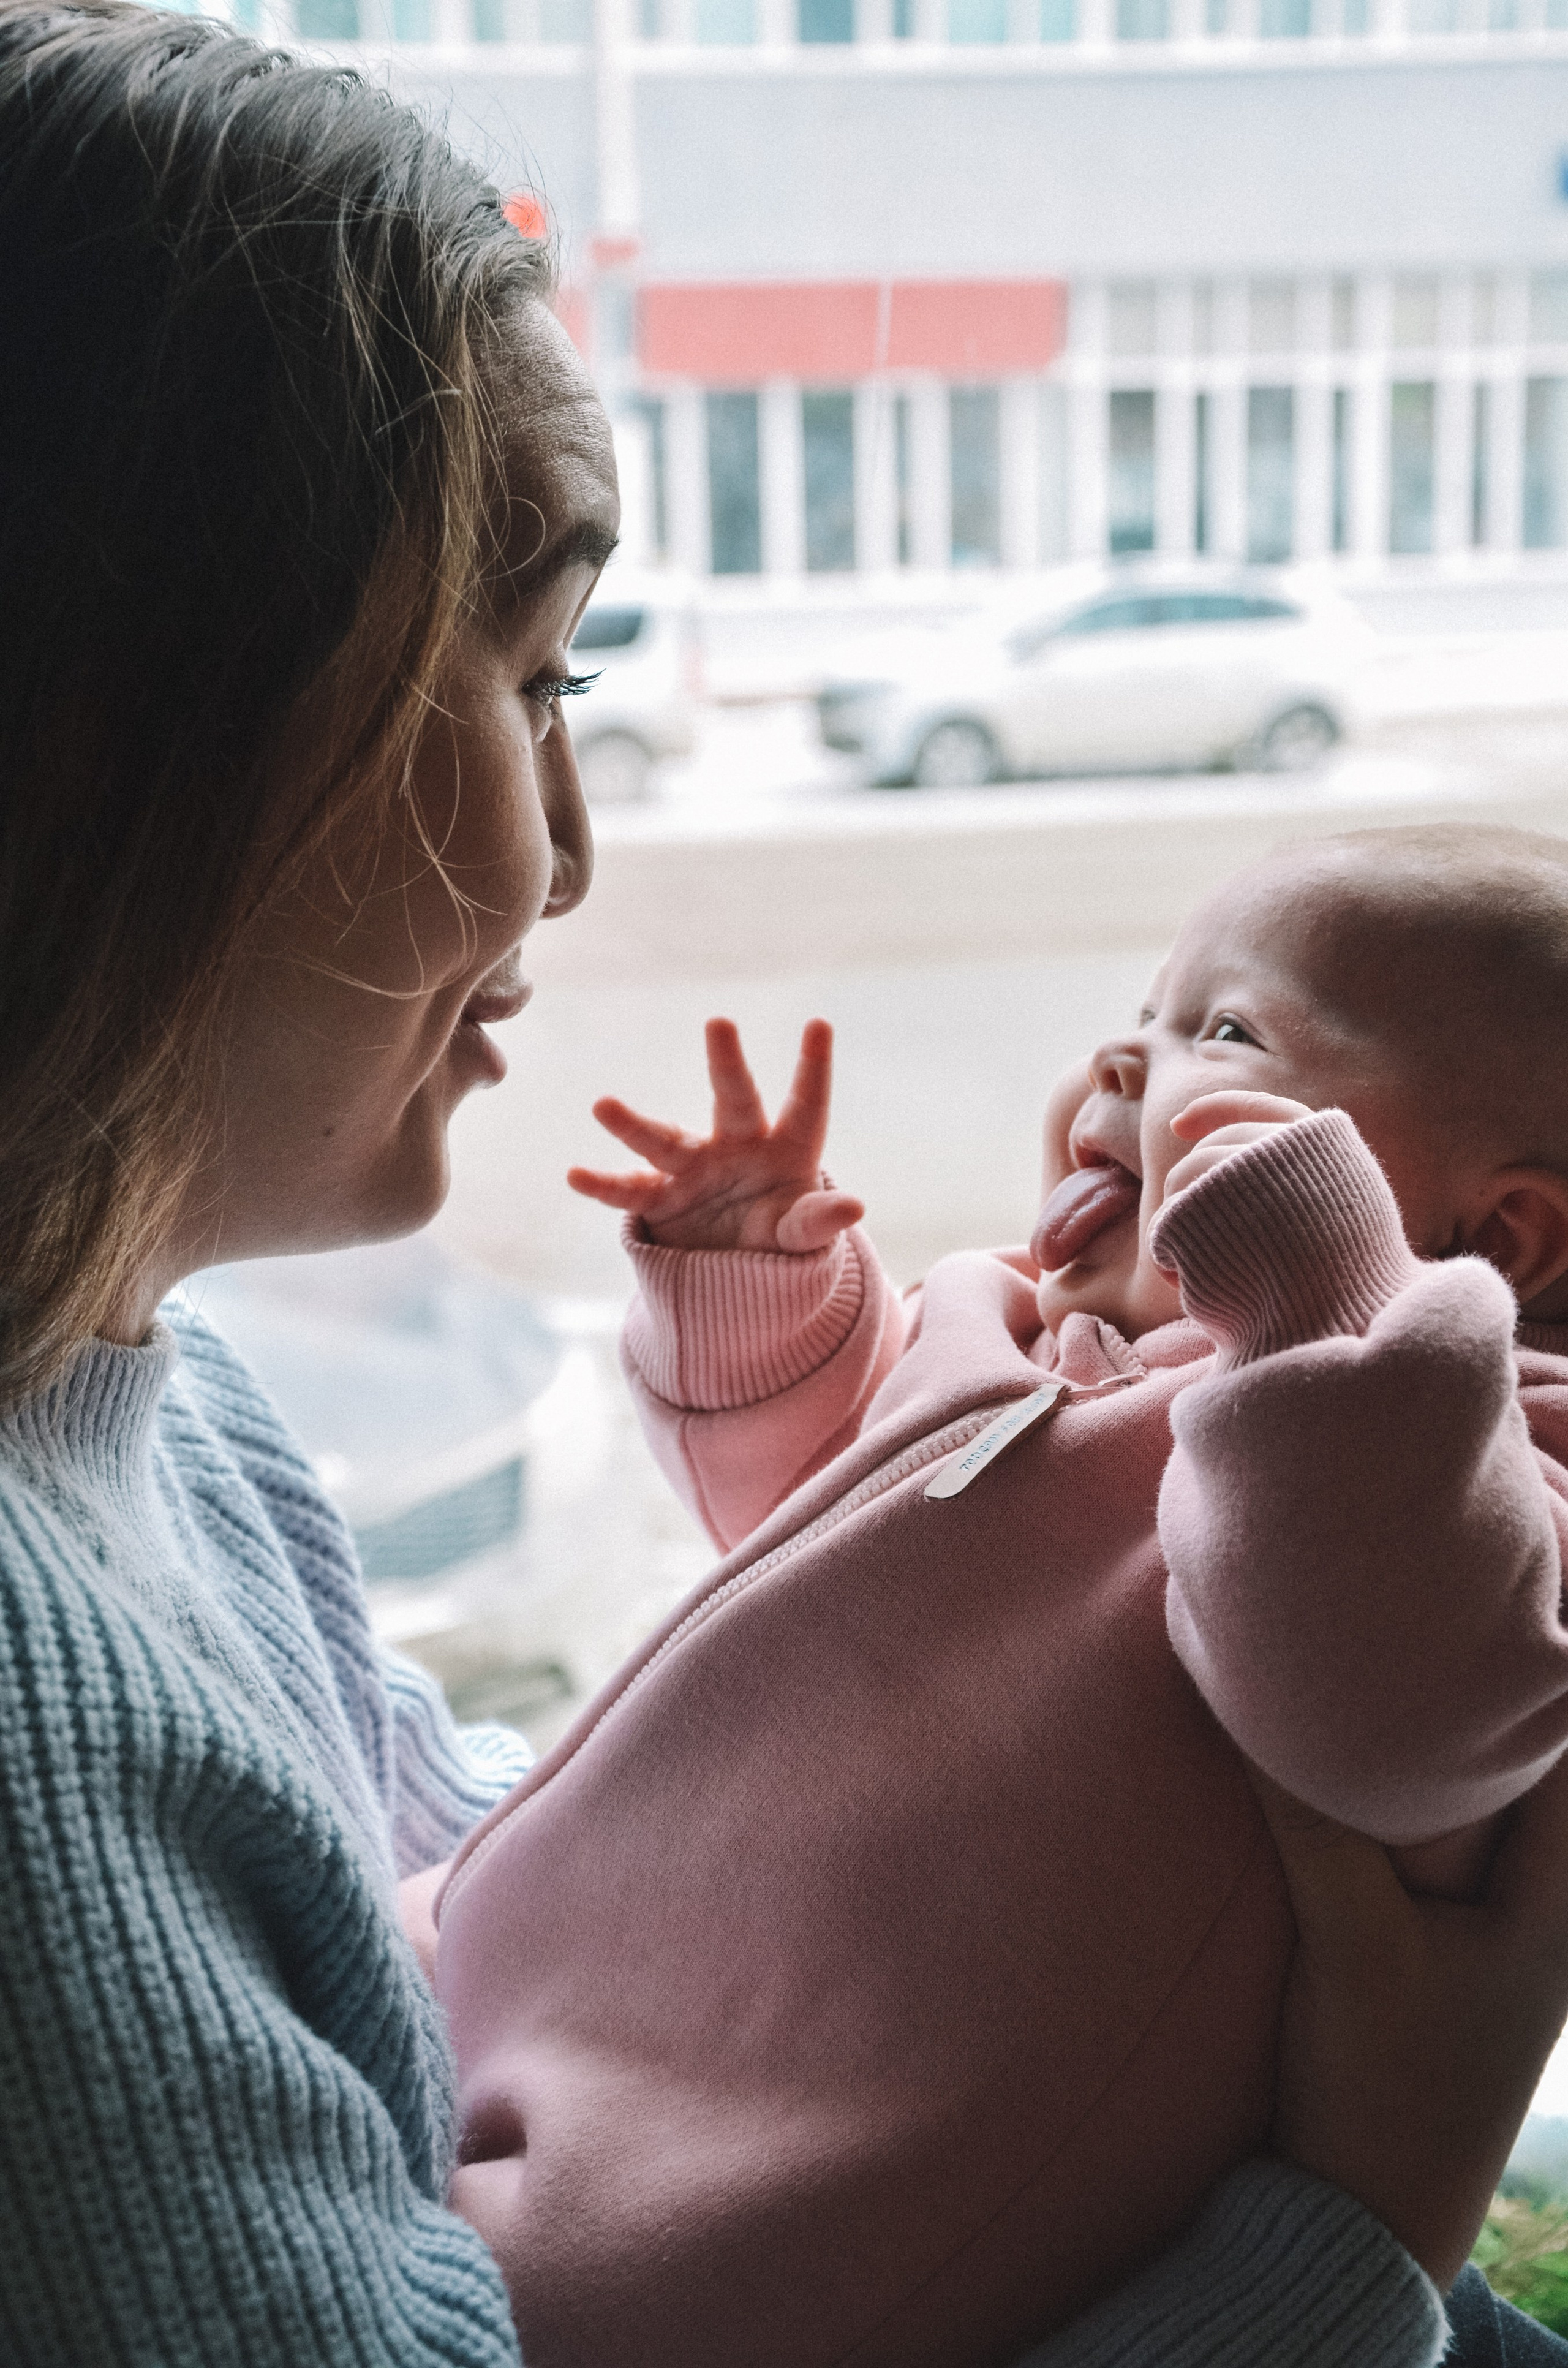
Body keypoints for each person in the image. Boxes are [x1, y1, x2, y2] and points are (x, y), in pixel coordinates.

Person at [0, 2, 1561, 2361]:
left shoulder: (152, 1385)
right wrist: (1363, 2202)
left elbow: (428, 1843)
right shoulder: (37, 1698)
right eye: (522, 679)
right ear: (139, 724)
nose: (579, 849)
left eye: (571, 687)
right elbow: (827, 1539)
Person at [432, 825, 1568, 2368]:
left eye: (1226, 1034)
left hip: (767, 2228)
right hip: (551, 1978)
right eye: (1147, 1005)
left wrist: (1317, 1322)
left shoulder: (1480, 1466)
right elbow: (808, 1516)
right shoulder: (1005, 1326)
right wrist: (758, 1290)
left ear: (1492, 1239)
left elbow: (1390, 1719)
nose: (1123, 1054)